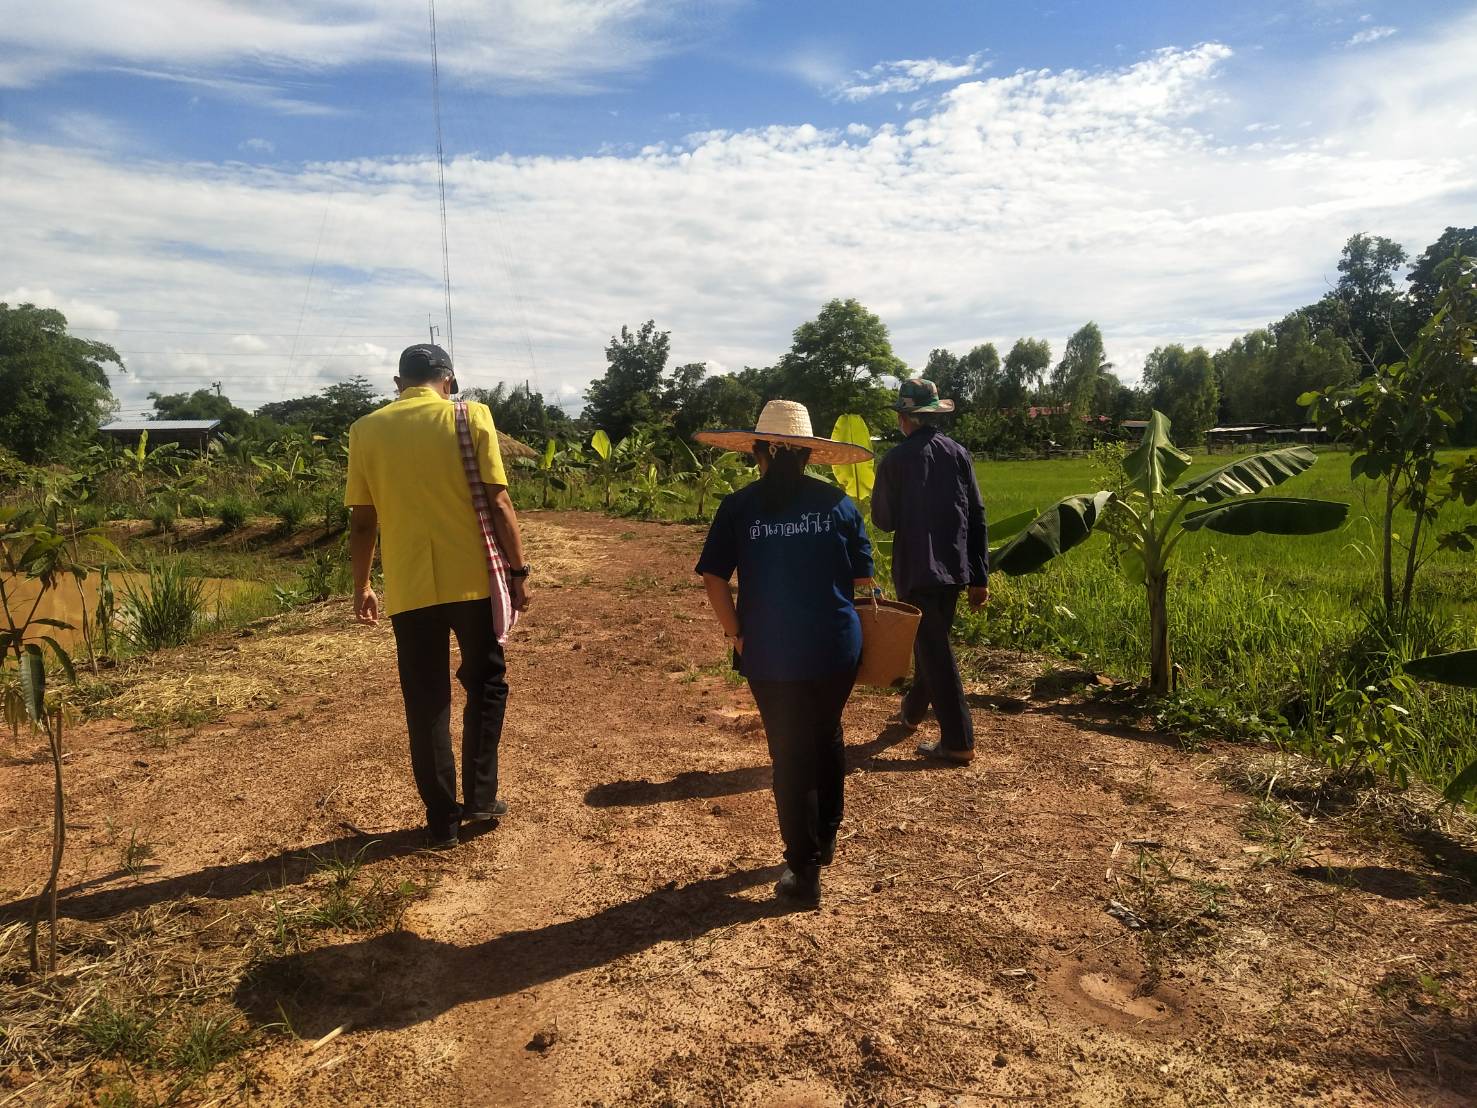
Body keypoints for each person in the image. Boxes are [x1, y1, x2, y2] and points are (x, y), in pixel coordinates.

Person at [344, 344, 532, 848]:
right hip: (472, 580)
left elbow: (363, 521)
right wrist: (519, 572)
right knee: (487, 683)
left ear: (398, 382)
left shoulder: (365, 430)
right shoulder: (473, 417)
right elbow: (498, 500)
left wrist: (362, 585)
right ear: (448, 380)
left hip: (408, 587)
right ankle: (481, 797)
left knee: (426, 702)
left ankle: (442, 821)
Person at [694, 400, 876, 906]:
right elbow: (863, 577)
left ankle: (804, 870)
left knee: (790, 755)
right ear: (807, 454)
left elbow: (713, 575)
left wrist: (736, 634)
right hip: (836, 646)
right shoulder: (838, 505)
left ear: (762, 452)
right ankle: (828, 834)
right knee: (826, 734)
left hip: (772, 652)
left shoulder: (740, 507)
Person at [871, 378, 989, 764]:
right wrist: (979, 575)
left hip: (917, 571)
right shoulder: (958, 454)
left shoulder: (894, 461)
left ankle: (958, 740)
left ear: (905, 418)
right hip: (955, 570)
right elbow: (977, 515)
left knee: (935, 651)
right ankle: (911, 713)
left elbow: (884, 522)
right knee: (930, 646)